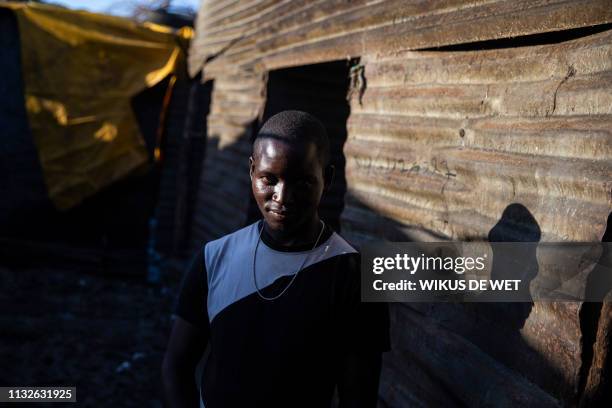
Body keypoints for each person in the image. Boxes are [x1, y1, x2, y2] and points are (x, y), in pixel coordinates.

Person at [162, 110, 390, 408]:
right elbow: (176, 366)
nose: (282, 196)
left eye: (302, 183)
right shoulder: (214, 258)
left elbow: (358, 398)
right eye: (269, 179)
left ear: (328, 178)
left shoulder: (354, 275)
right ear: (252, 171)